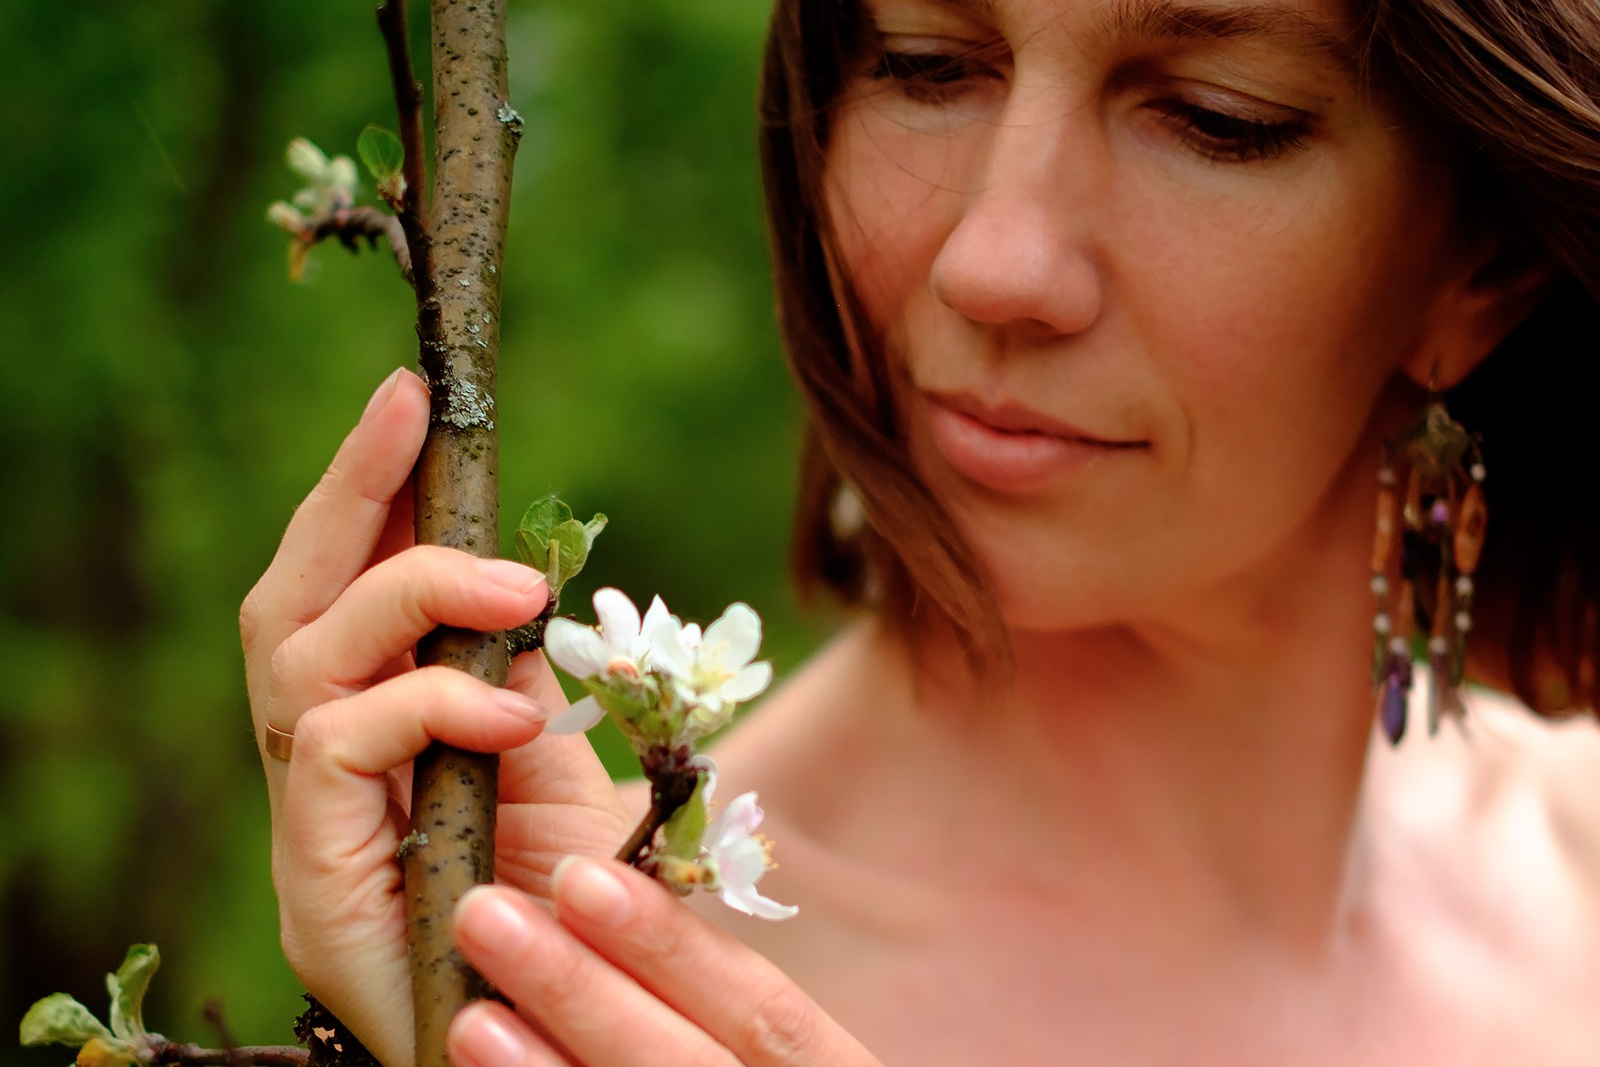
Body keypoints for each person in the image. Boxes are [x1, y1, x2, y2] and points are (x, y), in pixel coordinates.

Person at [243, 0, 1600, 1063]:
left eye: (1213, 116)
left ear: (1483, 263)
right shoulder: (622, 980)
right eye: (925, 63)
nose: (992, 261)